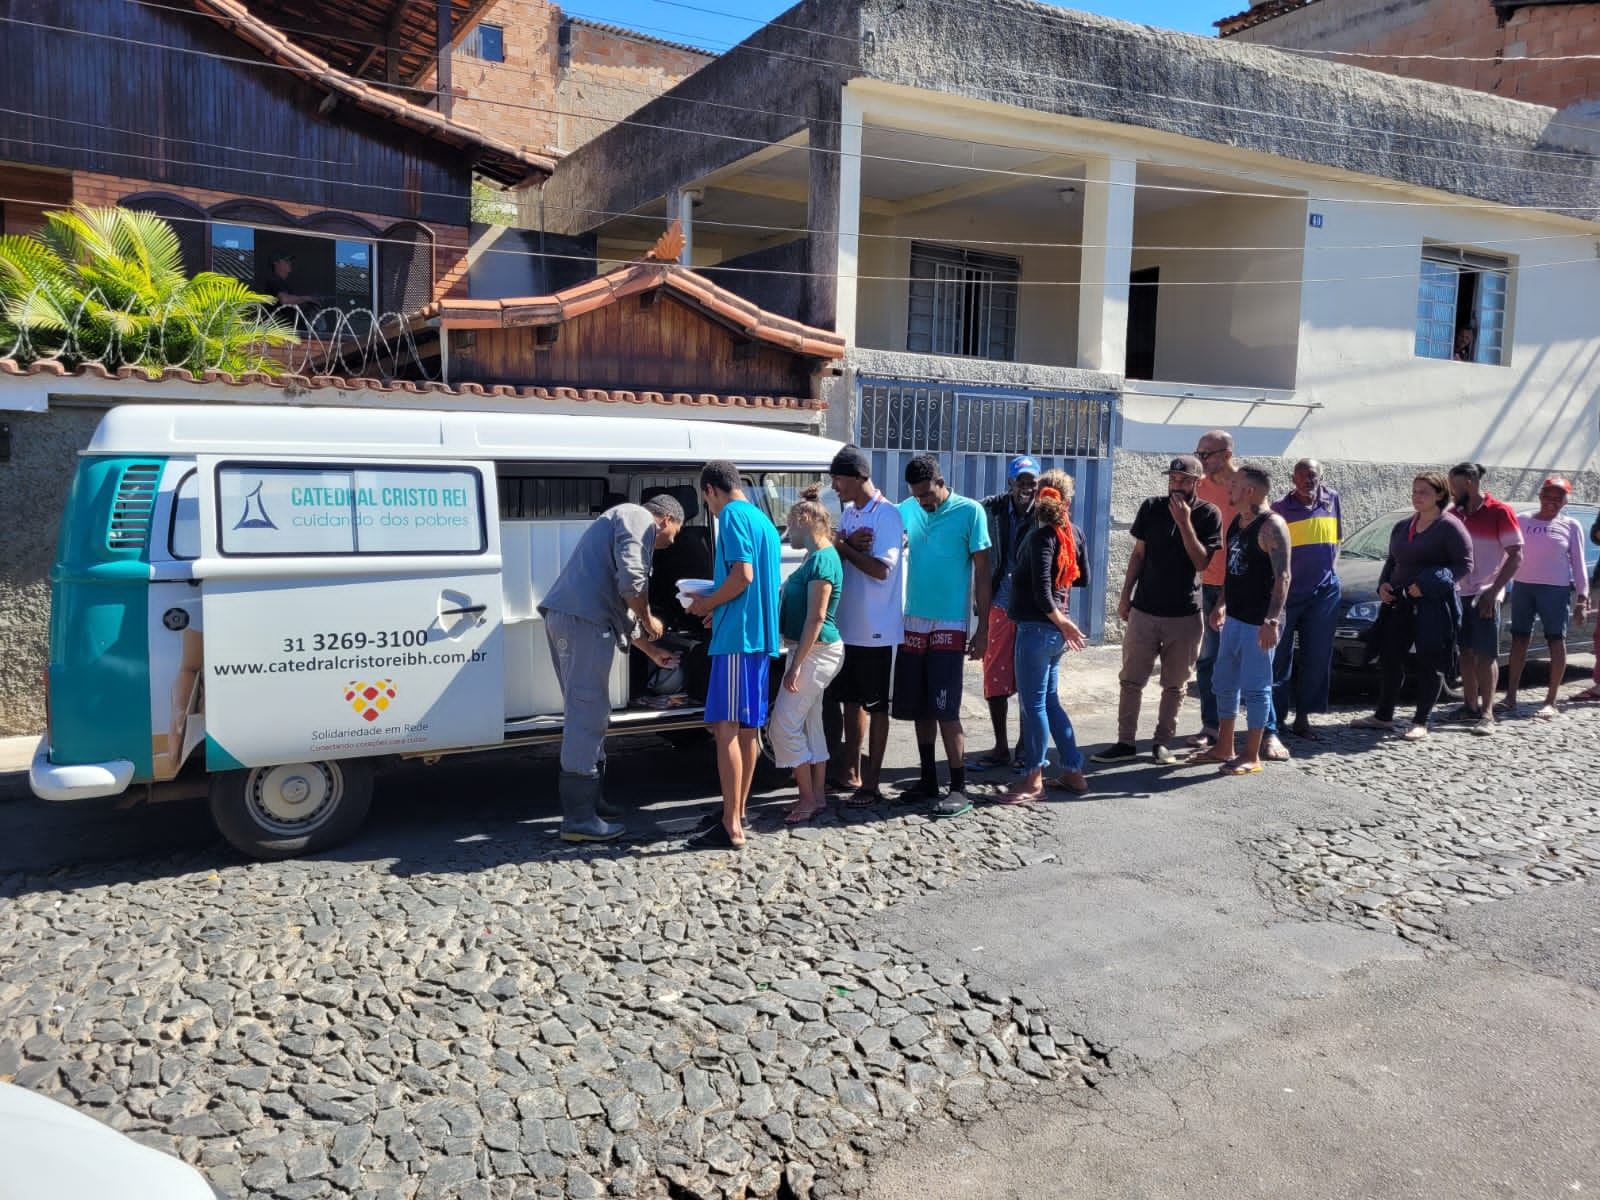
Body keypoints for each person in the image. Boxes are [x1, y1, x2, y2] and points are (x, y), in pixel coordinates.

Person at [540, 495, 685, 840]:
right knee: (586, 713)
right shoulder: (637, 517)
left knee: (591, 710)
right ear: (665, 519)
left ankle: (592, 801)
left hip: (578, 617)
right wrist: (650, 618)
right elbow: (632, 583)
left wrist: (650, 650)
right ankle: (579, 819)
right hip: (583, 621)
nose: (668, 544)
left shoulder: (618, 520)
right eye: (674, 535)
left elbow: (618, 607)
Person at [1094, 455, 1222, 764]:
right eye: (1172, 479)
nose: (1175, 485)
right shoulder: (1151, 507)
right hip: (1145, 610)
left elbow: (1202, 562)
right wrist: (1125, 596)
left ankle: (1162, 742)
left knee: (1174, 684)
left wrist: (1184, 522)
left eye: (1183, 480)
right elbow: (1138, 556)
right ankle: (1125, 743)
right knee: (1131, 679)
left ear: (1197, 482)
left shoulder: (1208, 514)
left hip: (1185, 614)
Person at [684, 460, 781, 848]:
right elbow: (754, 587)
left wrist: (706, 604)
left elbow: (742, 576)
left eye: (706, 500)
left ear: (710, 490)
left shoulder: (732, 518)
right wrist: (719, 610)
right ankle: (736, 813)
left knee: (725, 729)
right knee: (748, 731)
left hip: (738, 642)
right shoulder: (764, 523)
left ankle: (731, 825)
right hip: (756, 638)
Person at [894, 455, 992, 818]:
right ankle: (927, 780)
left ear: (941, 481)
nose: (923, 502)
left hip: (950, 623)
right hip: (913, 620)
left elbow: (983, 572)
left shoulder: (971, 512)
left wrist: (983, 629)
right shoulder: (907, 508)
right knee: (920, 705)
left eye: (927, 494)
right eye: (916, 496)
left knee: (945, 707)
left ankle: (959, 787)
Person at [1192, 430, 1290, 761]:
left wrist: (1271, 621)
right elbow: (1232, 571)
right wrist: (1221, 605)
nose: (1228, 490)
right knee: (1223, 678)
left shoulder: (1271, 526)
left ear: (1248, 490)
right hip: (1231, 612)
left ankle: (1255, 751)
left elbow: (1283, 576)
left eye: (1234, 487)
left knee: (1257, 685)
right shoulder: (1236, 522)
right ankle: (1223, 744)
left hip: (1258, 619)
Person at [1351, 473, 1472, 739]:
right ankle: (1383, 715)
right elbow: (1392, 561)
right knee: (1391, 657)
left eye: (1424, 492)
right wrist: (1383, 585)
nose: (1417, 497)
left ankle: (1422, 720)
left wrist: (1429, 584)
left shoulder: (1449, 526)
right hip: (1398, 602)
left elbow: (1463, 565)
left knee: (1430, 660)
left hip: (1434, 605)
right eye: (1415, 491)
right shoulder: (1402, 526)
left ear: (1440, 495)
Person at [999, 477, 1090, 803]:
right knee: (1049, 702)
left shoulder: (1042, 536)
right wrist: (1062, 622)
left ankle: (1032, 779)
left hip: (1038, 629)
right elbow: (1083, 577)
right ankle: (1072, 771)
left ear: (1040, 497)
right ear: (1068, 499)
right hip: (1052, 632)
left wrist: (1061, 621)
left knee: (1033, 705)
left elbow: (1041, 591)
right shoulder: (1072, 533)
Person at [824, 445, 905, 806]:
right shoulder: (847, 514)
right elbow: (839, 549)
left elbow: (880, 570)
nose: (834, 486)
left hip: (876, 629)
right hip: (847, 625)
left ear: (857, 477)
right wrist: (843, 544)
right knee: (850, 702)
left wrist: (845, 548)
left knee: (876, 706)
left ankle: (872, 784)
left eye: (838, 479)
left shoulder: (887, 515)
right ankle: (851, 771)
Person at [770, 488, 846, 824]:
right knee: (809, 722)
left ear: (806, 519)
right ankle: (814, 797)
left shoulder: (822, 559)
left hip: (816, 652)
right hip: (811, 650)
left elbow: (816, 618)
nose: (788, 532)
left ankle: (806, 797)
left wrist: (796, 665)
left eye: (790, 524)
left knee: (782, 726)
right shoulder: (815, 557)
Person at [974, 455, 1041, 771]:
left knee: (1030, 678)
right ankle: (1000, 745)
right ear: (1010, 482)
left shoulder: (1045, 513)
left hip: (1033, 609)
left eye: (1032, 481)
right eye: (1021, 480)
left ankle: (1025, 745)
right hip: (1000, 603)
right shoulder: (991, 508)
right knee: (995, 676)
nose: (1027, 487)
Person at [1503, 476, 1588, 718]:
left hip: (1555, 589)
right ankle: (1510, 696)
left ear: (1564, 501)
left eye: (1558, 497)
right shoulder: (1522, 520)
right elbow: (1508, 553)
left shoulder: (1570, 525)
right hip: (1523, 586)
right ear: (1540, 496)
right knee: (1519, 639)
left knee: (1555, 640)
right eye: (1548, 495)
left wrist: (1582, 597)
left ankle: (1551, 700)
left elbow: (1579, 563)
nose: (1552, 500)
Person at [1448, 462, 1523, 735]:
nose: (1451, 492)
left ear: (1469, 482)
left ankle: (1488, 713)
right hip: (1459, 592)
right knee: (1464, 652)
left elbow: (1516, 555)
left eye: (1454, 486)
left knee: (1485, 654)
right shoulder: (1454, 514)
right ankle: (1470, 706)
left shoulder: (1500, 512)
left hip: (1486, 594)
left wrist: (1493, 592)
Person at [1271, 459, 1343, 739]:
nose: (1306, 481)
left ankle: (1304, 718)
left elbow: (1337, 539)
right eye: (1300, 477)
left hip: (1325, 593)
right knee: (1279, 657)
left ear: (1321, 476)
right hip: (1289, 594)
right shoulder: (1280, 508)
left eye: (1311, 475)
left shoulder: (1332, 499)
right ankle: (1274, 721)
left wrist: (1331, 572)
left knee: (1317, 657)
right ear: (1292, 479)